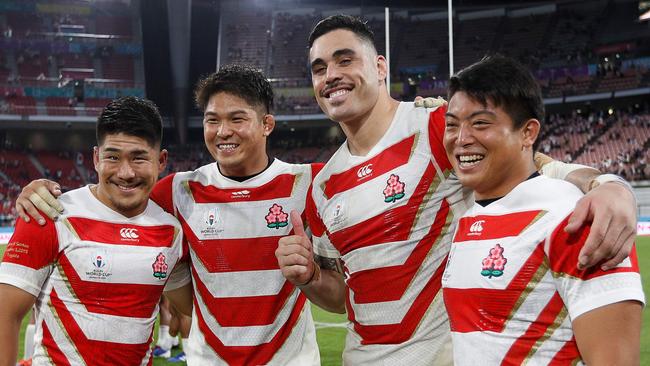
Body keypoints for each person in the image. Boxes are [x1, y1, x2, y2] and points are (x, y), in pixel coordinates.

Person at [275, 15, 638, 365]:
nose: (331, 75)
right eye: (319, 68)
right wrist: (311, 277)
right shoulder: (323, 185)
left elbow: (537, 165)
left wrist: (607, 185)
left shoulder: (437, 127)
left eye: (345, 60)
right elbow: (343, 295)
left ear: (381, 67)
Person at [14, 65, 322, 365]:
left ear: (267, 124)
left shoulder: (312, 183)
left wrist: (311, 275)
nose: (223, 131)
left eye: (237, 119)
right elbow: (113, 197)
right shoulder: (177, 191)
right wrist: (38, 191)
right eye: (212, 120)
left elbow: (342, 294)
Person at [441, 55, 644, 365]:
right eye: (452, 125)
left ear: (528, 133)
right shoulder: (468, 217)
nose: (461, 138)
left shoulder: (578, 217)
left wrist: (611, 185)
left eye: (480, 123)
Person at [0, 96, 189, 365]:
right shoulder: (49, 214)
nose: (125, 172)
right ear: (96, 158)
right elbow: (6, 314)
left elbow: (194, 308)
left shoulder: (171, 231)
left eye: (139, 158)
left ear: (161, 161)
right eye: (113, 157)